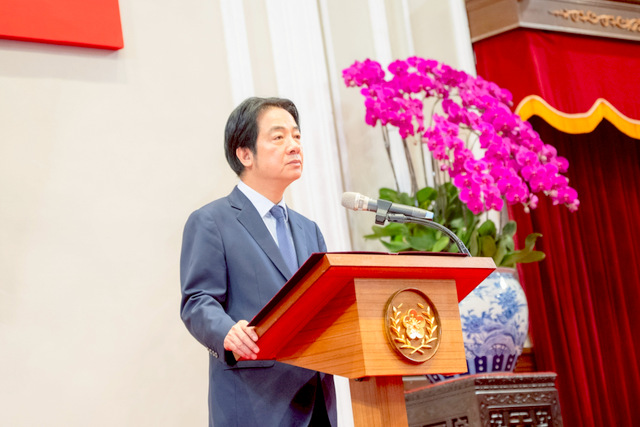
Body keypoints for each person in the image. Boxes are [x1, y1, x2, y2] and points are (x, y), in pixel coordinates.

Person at [180, 97, 337, 426]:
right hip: (256, 402)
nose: (294, 146)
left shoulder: (309, 230)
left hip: (316, 404)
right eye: (278, 137)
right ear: (245, 154)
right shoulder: (212, 221)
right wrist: (227, 331)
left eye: (296, 136)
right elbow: (197, 301)